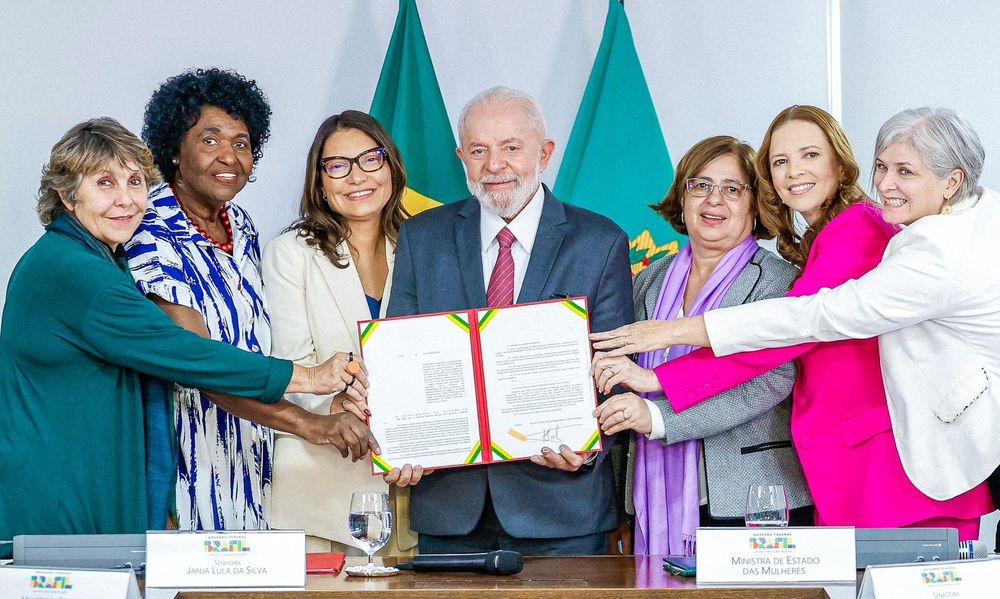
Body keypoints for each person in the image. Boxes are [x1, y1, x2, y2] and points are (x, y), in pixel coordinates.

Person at [592, 106, 995, 539]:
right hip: (852, 461)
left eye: (810, 156)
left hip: (891, 467)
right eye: (780, 161)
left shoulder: (856, 227)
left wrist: (659, 376)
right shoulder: (828, 236)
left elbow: (785, 335)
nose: (794, 172)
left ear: (839, 164)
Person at [0, 118, 374, 558]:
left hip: (98, 488)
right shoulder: (73, 271)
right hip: (63, 502)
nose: (126, 200)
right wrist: (309, 378)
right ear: (67, 195)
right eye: (105, 184)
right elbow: (186, 354)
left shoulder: (94, 258)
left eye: (135, 182)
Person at [386, 86, 633, 555]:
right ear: (461, 157)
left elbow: (619, 374)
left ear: (545, 153)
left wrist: (587, 444)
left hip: (564, 513)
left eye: (511, 148)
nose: (494, 165)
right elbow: (402, 366)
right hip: (449, 511)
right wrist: (401, 444)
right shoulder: (421, 237)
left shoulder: (600, 242)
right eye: (478, 151)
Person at [125, 68, 372, 530]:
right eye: (210, 139)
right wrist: (308, 421)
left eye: (242, 143)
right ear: (175, 149)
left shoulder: (241, 225)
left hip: (254, 462)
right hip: (189, 470)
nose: (230, 157)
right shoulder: (151, 233)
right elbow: (198, 362)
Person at [591, 136, 812, 556]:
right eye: (701, 185)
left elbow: (770, 382)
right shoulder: (648, 280)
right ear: (683, 195)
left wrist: (658, 419)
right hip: (647, 501)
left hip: (753, 502)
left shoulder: (779, 281)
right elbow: (619, 387)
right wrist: (614, 508)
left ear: (755, 202)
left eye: (733, 189)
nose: (715, 200)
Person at [262, 110, 417, 555]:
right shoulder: (290, 253)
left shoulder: (422, 245)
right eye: (338, 166)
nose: (356, 177)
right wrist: (334, 401)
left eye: (371, 159)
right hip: (320, 489)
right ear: (320, 182)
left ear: (391, 167)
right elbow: (290, 365)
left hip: (410, 489)